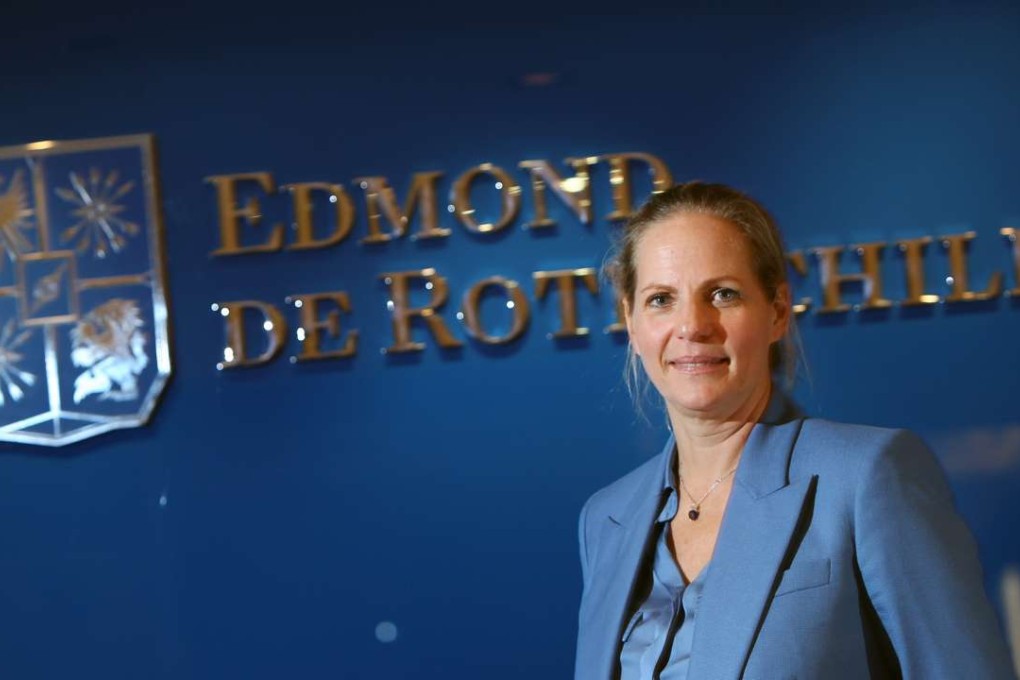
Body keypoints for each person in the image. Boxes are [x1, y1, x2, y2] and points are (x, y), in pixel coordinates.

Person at [574, 182, 1016, 679]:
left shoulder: (865, 475)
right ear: (631, 322)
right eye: (661, 299)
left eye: (723, 293)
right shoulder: (606, 520)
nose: (692, 325)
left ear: (778, 312)